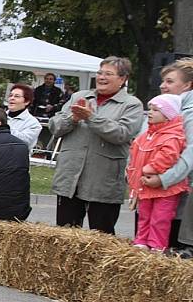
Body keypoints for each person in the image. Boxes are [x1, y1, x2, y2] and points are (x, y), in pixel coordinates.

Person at [48, 56, 143, 234]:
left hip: (103, 182)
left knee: (101, 237)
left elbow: (122, 134)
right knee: (65, 236)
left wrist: (91, 118)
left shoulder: (132, 105)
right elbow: (55, 126)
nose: (101, 77)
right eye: (99, 72)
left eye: (108, 73)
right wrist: (73, 118)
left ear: (123, 79)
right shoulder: (79, 96)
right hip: (71, 179)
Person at [140, 59, 193, 252]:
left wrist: (163, 179)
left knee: (164, 247)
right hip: (148, 189)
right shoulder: (158, 108)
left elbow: (190, 155)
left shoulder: (190, 113)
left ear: (187, 85)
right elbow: (141, 145)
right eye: (163, 81)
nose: (163, 85)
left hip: (177, 197)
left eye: (170, 81)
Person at [127, 94, 188, 251]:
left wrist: (150, 169)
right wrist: (133, 172)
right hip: (146, 185)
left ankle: (156, 244)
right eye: (150, 109)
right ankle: (141, 240)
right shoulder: (146, 135)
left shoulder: (173, 136)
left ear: (168, 115)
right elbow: (135, 153)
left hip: (166, 189)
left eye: (155, 110)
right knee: (144, 214)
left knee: (160, 218)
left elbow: (169, 156)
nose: (150, 113)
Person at [6, 84, 41, 150]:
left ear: (27, 101)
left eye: (17, 96)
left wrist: (3, 128)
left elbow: (25, 141)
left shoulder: (34, 124)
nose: (12, 98)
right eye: (10, 95)